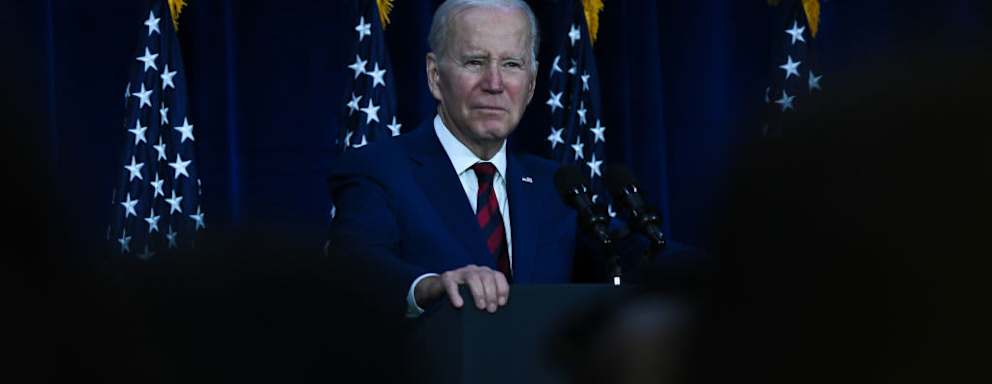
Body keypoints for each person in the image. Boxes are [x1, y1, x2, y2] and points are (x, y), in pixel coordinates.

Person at [326, 0, 583, 318]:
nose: (494, 84)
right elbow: (354, 266)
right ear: (435, 76)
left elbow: (632, 261)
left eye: (511, 65)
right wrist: (429, 287)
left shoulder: (557, 187)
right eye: (475, 62)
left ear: (531, 85)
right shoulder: (379, 170)